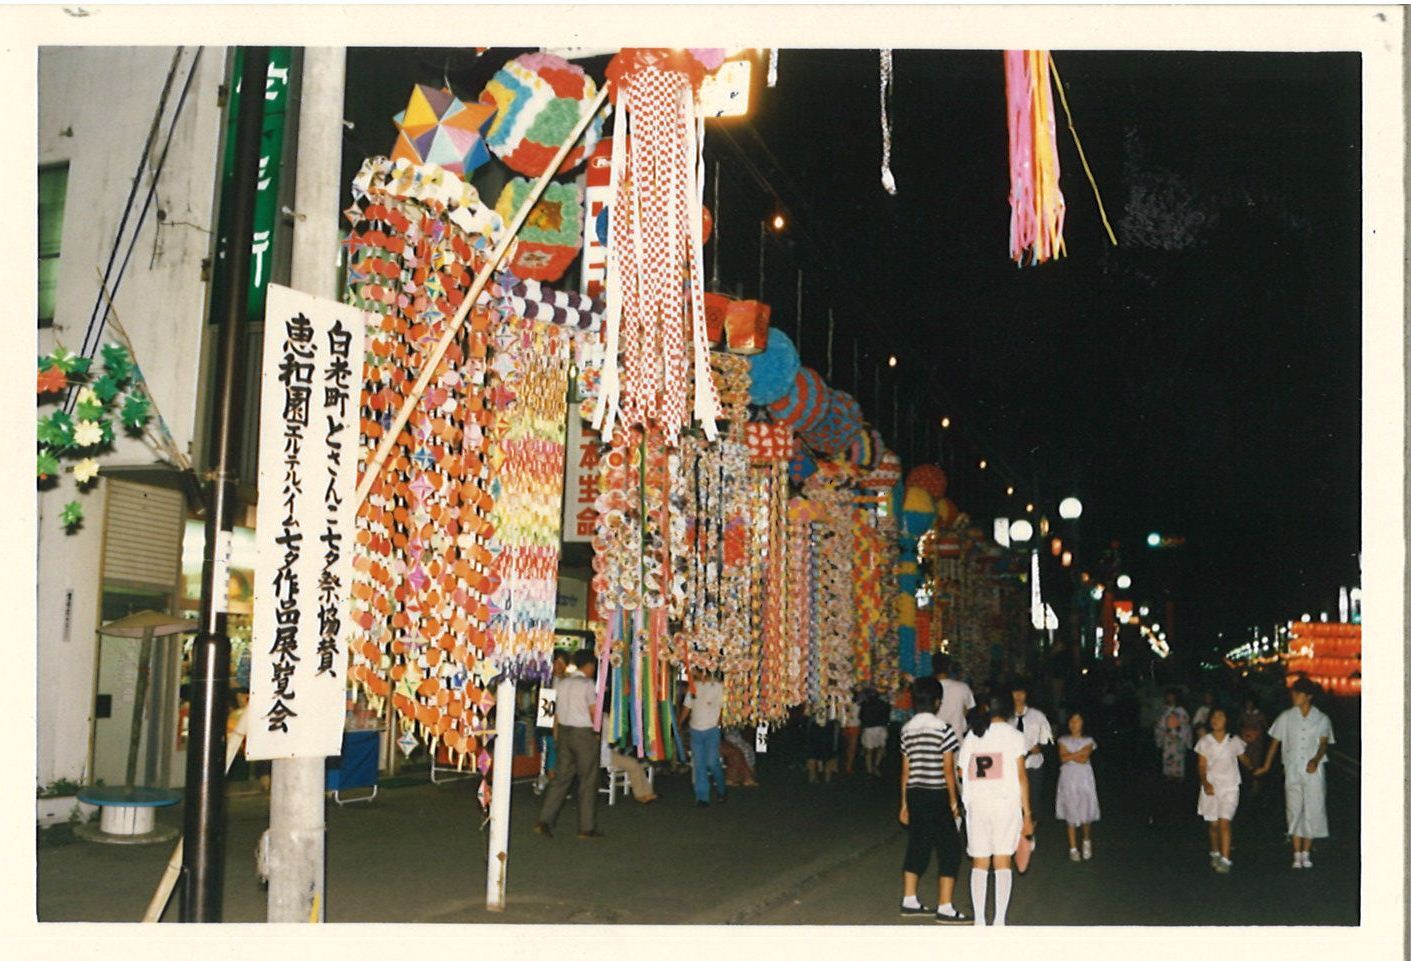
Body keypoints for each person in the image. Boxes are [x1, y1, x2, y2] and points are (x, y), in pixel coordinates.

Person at [897, 677, 970, 923]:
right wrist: (953, 802)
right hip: (937, 792)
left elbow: (905, 771)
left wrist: (904, 804)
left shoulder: (906, 729)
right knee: (949, 849)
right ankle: (945, 907)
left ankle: (909, 900)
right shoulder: (944, 729)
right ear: (937, 701)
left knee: (918, 844)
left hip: (915, 792)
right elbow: (948, 769)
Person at [959, 699, 1033, 928]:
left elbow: (961, 771)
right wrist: (1027, 813)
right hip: (1005, 805)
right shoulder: (1014, 736)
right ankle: (999, 920)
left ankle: (980, 921)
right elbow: (1021, 776)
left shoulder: (974, 735)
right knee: (1002, 861)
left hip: (978, 805)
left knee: (979, 862)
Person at [1255, 677, 1335, 869]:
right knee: (1294, 808)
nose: (1293, 696)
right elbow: (1274, 743)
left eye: (1297, 693)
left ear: (1308, 696)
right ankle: (1296, 853)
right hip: (1292, 769)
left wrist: (1315, 759)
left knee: (1312, 809)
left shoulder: (1321, 718)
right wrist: (1266, 766)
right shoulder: (1286, 716)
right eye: (1293, 692)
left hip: (1313, 771)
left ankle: (1306, 852)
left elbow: (1324, 743)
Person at [533, 649, 604, 838]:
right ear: (589, 666)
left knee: (560, 780)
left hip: (564, 732)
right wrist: (597, 732)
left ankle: (544, 820)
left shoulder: (562, 683)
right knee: (587, 780)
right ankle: (586, 827)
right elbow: (593, 712)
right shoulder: (588, 684)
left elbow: (554, 712)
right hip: (583, 734)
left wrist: (556, 734)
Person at [1194, 707, 1250, 873]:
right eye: (1214, 716)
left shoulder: (1234, 740)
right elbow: (1201, 766)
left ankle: (1226, 860)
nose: (1215, 719)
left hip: (1230, 787)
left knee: (1225, 822)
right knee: (1214, 825)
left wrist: (1255, 767)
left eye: (1220, 716)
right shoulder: (1204, 742)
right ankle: (1215, 852)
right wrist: (1205, 783)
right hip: (1211, 788)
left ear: (1227, 721)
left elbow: (1245, 759)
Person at [1006, 677, 1053, 849]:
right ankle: (1015, 835)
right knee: (1013, 802)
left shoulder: (1037, 715)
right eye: (1015, 692)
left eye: (1021, 692)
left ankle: (1028, 835)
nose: (1018, 696)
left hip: (1033, 765)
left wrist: (1038, 747)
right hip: (1013, 767)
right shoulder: (1006, 716)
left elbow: (1047, 740)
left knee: (1032, 800)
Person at [1055, 710, 1100, 862]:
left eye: (1078, 720)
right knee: (1070, 810)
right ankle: (1073, 847)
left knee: (1086, 809)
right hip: (1068, 778)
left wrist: (1070, 755)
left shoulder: (1089, 740)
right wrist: (1076, 754)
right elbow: (1063, 757)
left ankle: (1086, 840)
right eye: (1072, 721)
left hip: (1084, 777)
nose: (1074, 724)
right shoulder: (1063, 739)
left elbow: (1083, 759)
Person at [680, 666, 728, 806]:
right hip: (695, 730)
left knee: (712, 763)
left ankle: (721, 788)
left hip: (711, 730)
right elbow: (687, 707)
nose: (690, 674)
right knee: (699, 765)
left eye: (693, 671)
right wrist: (679, 723)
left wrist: (719, 725)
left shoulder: (718, 686)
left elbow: (723, 708)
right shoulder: (693, 686)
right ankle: (702, 797)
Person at [601, 708, 658, 804]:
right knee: (633, 764)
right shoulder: (605, 720)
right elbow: (612, 740)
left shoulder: (604, 719)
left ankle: (647, 792)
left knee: (634, 763)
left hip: (607, 752)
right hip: (604, 754)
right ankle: (641, 794)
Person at [534, 649, 572, 795]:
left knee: (562, 753)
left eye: (563, 663)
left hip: (565, 720)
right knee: (550, 750)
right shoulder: (546, 681)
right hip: (548, 721)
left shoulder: (568, 680)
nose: (559, 666)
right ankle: (549, 781)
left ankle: (557, 784)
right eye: (557, 662)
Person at [933, 653, 976, 738]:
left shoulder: (928, 689)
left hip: (933, 742)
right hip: (956, 740)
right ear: (949, 667)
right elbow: (969, 710)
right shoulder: (963, 688)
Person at [1154, 688, 1192, 782]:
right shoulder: (1165, 709)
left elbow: (1186, 724)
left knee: (1178, 756)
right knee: (1168, 755)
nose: (1170, 698)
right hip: (1167, 736)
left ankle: (1178, 775)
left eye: (1172, 696)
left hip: (1178, 736)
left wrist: (1180, 733)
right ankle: (1169, 774)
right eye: (1168, 696)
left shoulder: (1181, 710)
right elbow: (1160, 723)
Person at [859, 687, 891, 777]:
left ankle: (869, 769)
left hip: (869, 729)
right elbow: (887, 717)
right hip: (880, 728)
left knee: (869, 750)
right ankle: (875, 766)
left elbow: (861, 717)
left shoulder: (864, 704)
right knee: (880, 748)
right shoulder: (884, 704)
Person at [806, 714, 840, 783]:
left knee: (813, 752)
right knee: (828, 753)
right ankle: (827, 777)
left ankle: (812, 776)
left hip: (815, 723)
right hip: (827, 723)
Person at [841, 690, 863, 775]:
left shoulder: (846, 705)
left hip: (846, 726)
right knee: (852, 748)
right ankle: (849, 766)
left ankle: (846, 763)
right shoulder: (858, 706)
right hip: (854, 727)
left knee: (846, 746)